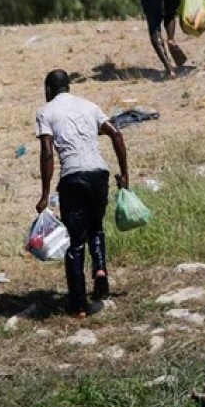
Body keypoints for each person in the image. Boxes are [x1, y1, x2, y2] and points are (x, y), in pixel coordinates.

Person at [35, 70, 129, 318]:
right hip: (100, 174)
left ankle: (78, 304)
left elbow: (47, 153)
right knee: (96, 227)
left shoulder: (46, 111)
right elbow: (116, 134)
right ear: (69, 86)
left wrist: (45, 194)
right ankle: (100, 275)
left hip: (73, 177)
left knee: (75, 243)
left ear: (48, 89)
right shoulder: (89, 106)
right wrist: (125, 173)